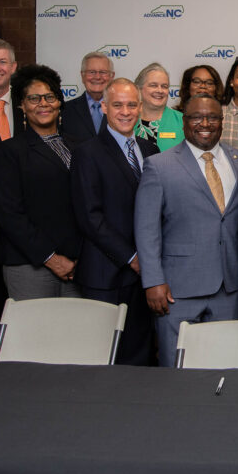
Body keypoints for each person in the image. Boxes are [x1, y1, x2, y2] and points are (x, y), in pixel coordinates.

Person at [135, 95, 238, 367]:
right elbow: (146, 228)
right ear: (184, 122)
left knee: (223, 366)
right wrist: (153, 281)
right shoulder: (159, 165)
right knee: (177, 366)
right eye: (196, 117)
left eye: (212, 117)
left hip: (228, 286)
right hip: (177, 289)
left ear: (222, 122)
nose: (205, 124)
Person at [70, 77, 159, 366]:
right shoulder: (87, 153)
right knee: (102, 355)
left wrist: (148, 259)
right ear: (105, 107)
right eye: (118, 104)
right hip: (105, 274)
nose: (125, 111)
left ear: (140, 107)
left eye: (132, 104)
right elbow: (89, 217)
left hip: (145, 275)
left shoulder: (151, 149)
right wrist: (132, 256)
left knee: (140, 351)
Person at [0, 64, 83, 301]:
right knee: (37, 336)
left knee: (78, 336)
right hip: (31, 264)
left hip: (77, 264)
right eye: (34, 98)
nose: (43, 104)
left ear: (59, 102)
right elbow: (9, 213)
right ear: (22, 105)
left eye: (49, 97)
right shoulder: (10, 151)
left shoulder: (80, 147)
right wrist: (50, 258)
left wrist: (79, 256)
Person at [60, 51, 114, 149]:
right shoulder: (64, 110)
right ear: (82, 76)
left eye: (103, 72)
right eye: (92, 72)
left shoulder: (122, 110)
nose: (97, 77)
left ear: (112, 76)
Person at [134, 63, 184, 152]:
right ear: (139, 89)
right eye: (153, 85)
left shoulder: (183, 120)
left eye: (164, 86)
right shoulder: (127, 119)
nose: (160, 90)